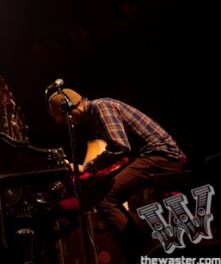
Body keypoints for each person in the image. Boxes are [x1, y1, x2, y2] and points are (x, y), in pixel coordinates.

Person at [47, 88, 186, 263]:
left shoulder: (100, 107)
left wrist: (86, 168)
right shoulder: (95, 114)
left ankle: (143, 253)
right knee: (98, 192)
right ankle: (146, 246)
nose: (68, 124)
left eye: (64, 119)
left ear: (70, 109)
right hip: (149, 156)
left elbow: (120, 147)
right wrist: (93, 174)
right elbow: (123, 153)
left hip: (161, 155)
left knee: (106, 199)